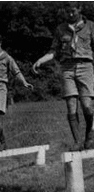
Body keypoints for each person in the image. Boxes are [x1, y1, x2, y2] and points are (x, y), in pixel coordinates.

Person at [33, 3, 94, 151]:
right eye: (67, 12)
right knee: (71, 106)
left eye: (72, 11)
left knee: (87, 106)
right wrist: (40, 60)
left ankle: (90, 136)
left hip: (85, 67)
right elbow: (54, 51)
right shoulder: (61, 29)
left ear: (80, 9)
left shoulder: (91, 26)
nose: (70, 15)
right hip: (67, 68)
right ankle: (77, 142)